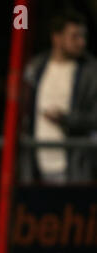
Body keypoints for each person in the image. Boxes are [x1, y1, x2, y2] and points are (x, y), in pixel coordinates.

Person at [20, 10, 97, 184]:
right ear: (57, 37)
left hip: (75, 167)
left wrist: (67, 119)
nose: (82, 42)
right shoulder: (36, 68)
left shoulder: (91, 72)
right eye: (75, 36)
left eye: (83, 36)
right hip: (36, 167)